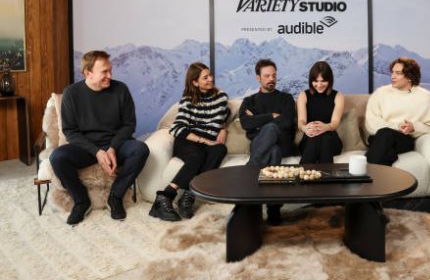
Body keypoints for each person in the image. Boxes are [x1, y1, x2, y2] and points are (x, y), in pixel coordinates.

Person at [50, 50, 149, 225]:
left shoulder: (121, 89)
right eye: (104, 71)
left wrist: (112, 148)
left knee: (140, 150)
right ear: (88, 73)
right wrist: (96, 152)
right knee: (57, 157)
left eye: (110, 70)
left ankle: (115, 196)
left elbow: (129, 125)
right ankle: (81, 200)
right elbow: (70, 131)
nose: (110, 75)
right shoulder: (71, 94)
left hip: (116, 144)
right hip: (86, 147)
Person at [149, 62, 229, 221]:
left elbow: (223, 116)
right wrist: (203, 140)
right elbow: (177, 128)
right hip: (188, 140)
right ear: (195, 82)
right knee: (197, 155)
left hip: (208, 142)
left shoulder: (221, 98)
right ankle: (165, 196)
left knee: (220, 150)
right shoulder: (187, 100)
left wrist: (223, 128)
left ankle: (188, 196)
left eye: (210, 75)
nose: (211, 79)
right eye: (205, 77)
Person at [239, 59, 296, 224]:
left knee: (271, 131)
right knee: (273, 150)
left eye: (274, 75)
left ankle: (249, 173)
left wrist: (258, 122)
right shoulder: (249, 101)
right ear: (258, 78)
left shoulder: (286, 98)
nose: (271, 79)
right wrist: (271, 116)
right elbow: (245, 124)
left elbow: (287, 123)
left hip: (284, 142)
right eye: (267, 76)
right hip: (261, 145)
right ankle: (273, 209)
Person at [365, 57, 430, 166]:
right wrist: (398, 126)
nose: (392, 76)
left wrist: (414, 127)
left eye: (398, 73)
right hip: (379, 136)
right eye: (392, 72)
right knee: (384, 137)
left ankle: (366, 170)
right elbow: (370, 123)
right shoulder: (381, 93)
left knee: (384, 137)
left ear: (409, 76)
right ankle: (380, 171)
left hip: (404, 140)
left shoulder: (425, 97)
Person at [297, 61, 344, 163]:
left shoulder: (338, 96)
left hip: (331, 139)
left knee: (325, 138)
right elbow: (301, 121)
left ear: (329, 80)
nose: (319, 85)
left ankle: (303, 176)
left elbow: (335, 122)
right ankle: (328, 176)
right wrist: (305, 129)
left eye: (323, 81)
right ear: (311, 81)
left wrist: (325, 127)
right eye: (315, 81)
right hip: (310, 137)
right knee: (315, 137)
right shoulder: (303, 95)